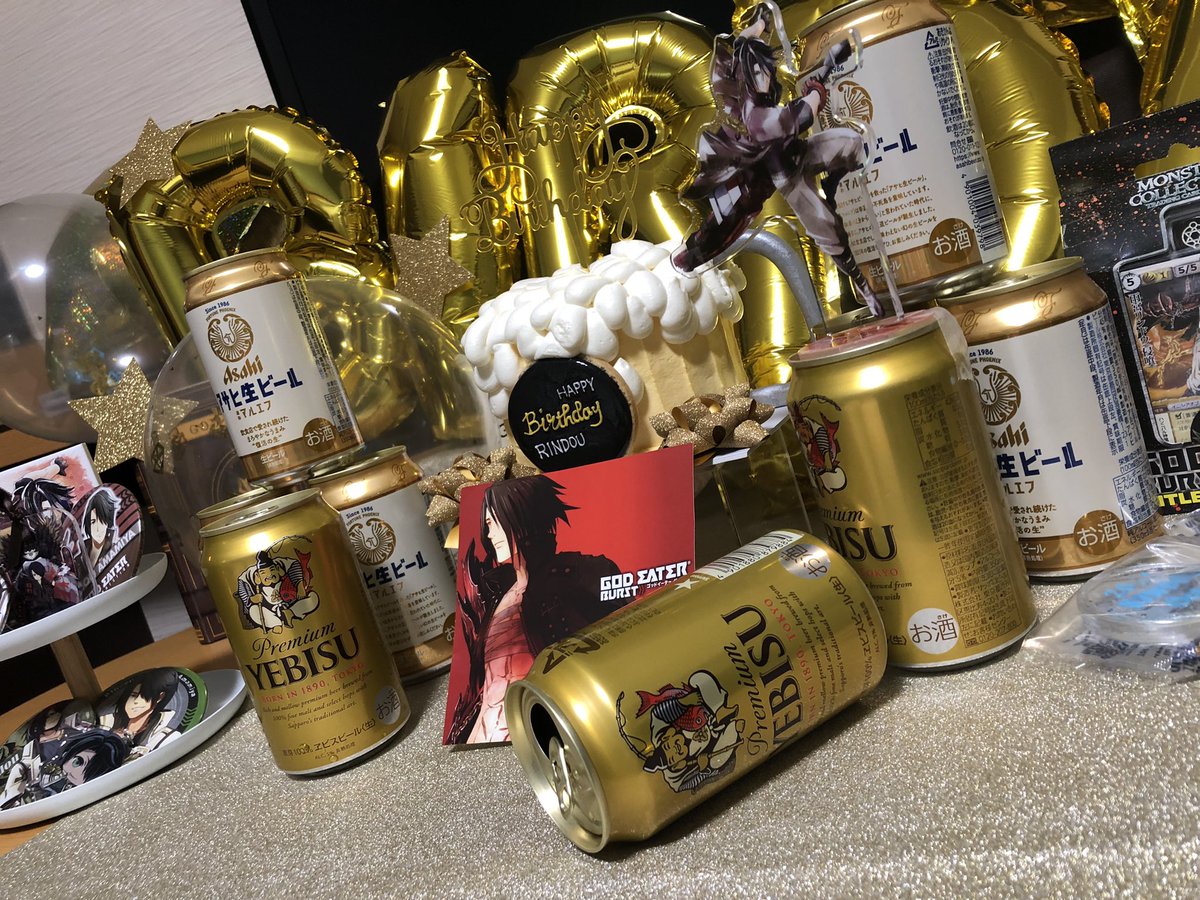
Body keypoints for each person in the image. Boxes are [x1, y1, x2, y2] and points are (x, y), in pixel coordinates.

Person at [672, 1, 881, 315]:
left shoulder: (749, 74)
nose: (764, 77)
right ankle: (864, 286)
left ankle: (834, 184)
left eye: (764, 70)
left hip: (799, 153)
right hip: (784, 177)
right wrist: (819, 84)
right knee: (828, 229)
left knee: (851, 142)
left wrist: (761, 24)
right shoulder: (754, 116)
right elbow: (801, 115)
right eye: (757, 72)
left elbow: (744, 43)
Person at [449, 476, 626, 743]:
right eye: (487, 525)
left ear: (520, 516)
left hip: (552, 731)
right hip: (484, 736)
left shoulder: (578, 573)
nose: (489, 534)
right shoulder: (495, 598)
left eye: (493, 522)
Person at [100, 669, 181, 760]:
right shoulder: (104, 722)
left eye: (143, 696)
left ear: (160, 697)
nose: (136, 702)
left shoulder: (163, 736)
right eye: (133, 695)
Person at [82, 487, 119, 573]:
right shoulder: (82, 552)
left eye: (102, 521)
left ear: (108, 523)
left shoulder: (114, 549)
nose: (98, 528)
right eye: (93, 522)